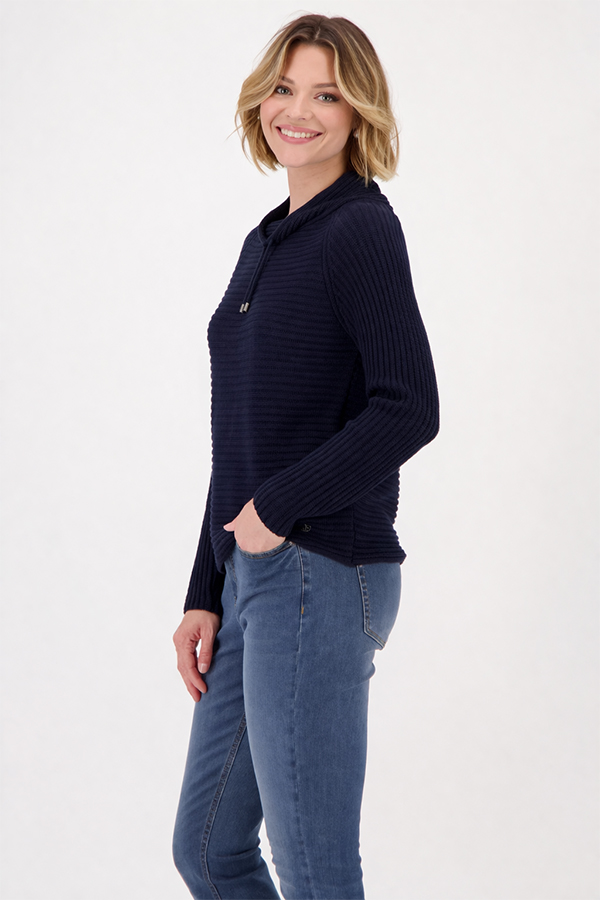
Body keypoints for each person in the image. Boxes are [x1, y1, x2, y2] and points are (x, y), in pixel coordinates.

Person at [172, 13, 439, 900]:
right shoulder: (268, 241)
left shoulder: (359, 229)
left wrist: (277, 510)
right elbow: (242, 436)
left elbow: (411, 406)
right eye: (285, 89)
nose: (299, 111)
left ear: (359, 112)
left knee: (316, 870)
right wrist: (204, 589)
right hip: (254, 575)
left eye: (327, 94)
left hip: (321, 571)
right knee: (208, 851)